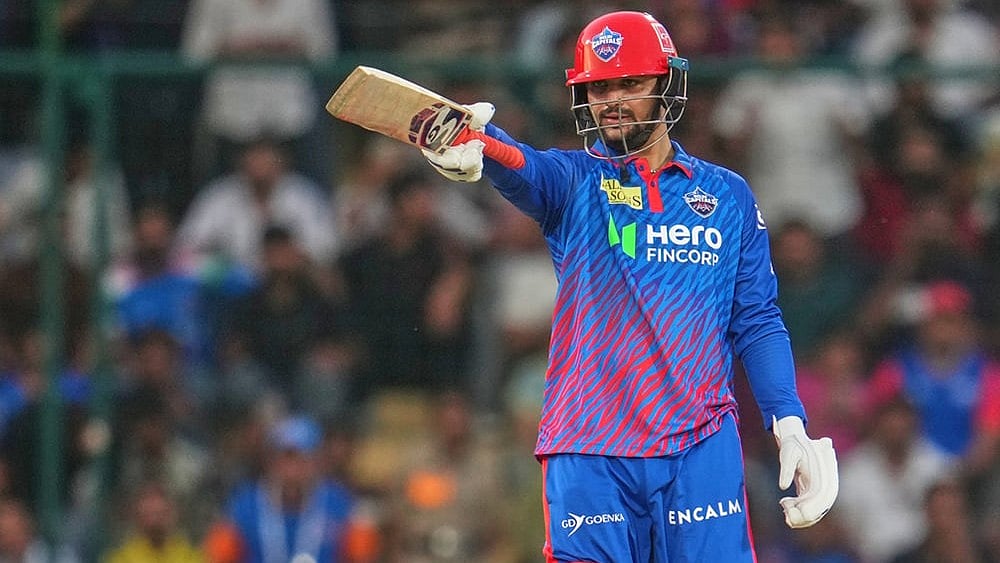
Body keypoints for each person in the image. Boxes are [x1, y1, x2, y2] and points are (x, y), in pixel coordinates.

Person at [420, 10, 838, 562]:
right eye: (599, 87)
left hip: (699, 447)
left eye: (630, 83)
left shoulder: (728, 195)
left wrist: (789, 422)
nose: (612, 99)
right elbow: (525, 166)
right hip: (590, 448)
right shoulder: (575, 183)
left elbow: (757, 319)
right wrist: (481, 144)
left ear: (666, 86)